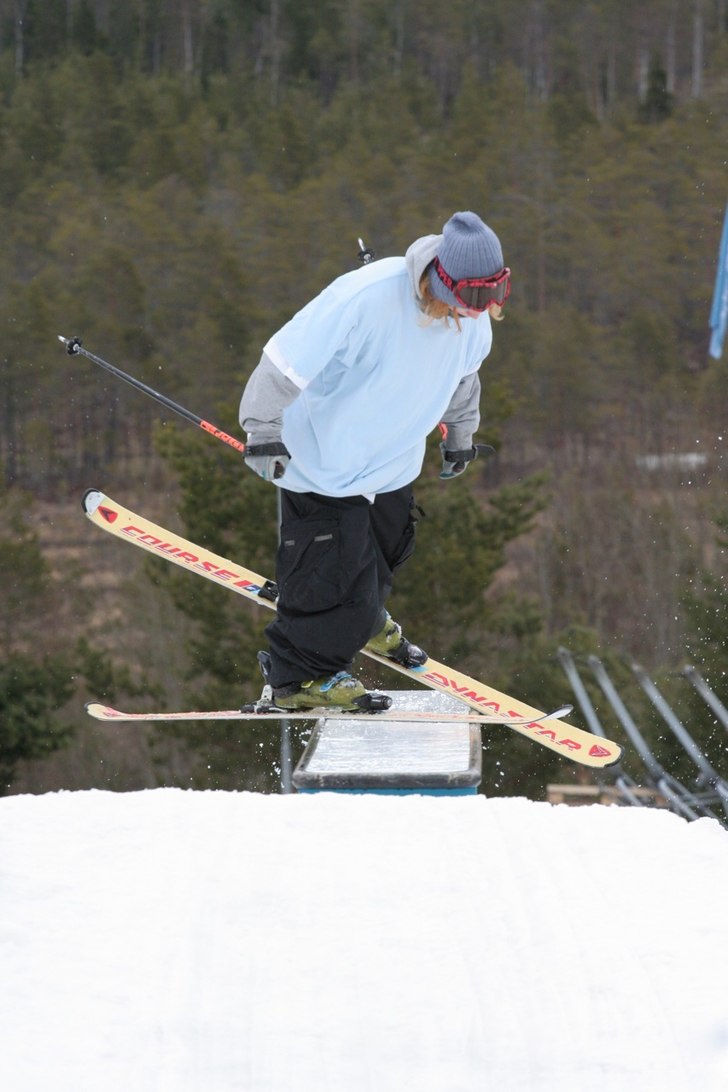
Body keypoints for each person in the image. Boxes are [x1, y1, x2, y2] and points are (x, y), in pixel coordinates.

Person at [239, 210, 510, 711]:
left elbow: (463, 379)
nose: (479, 310)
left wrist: (461, 436)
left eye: (492, 297)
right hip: (325, 461)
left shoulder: (472, 322)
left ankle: (361, 620)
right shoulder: (364, 298)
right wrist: (262, 430)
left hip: (392, 461)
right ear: (441, 279)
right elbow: (283, 361)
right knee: (329, 570)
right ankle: (298, 679)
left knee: (382, 555)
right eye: (472, 297)